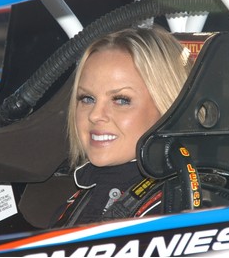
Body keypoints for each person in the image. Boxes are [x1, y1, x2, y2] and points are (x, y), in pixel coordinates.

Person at [52, 24, 192, 227]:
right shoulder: (75, 202)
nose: (95, 115)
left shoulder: (175, 210)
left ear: (169, 108)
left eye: (121, 100)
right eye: (87, 98)